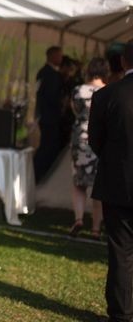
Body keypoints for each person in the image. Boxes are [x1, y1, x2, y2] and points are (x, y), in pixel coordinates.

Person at [89, 40, 133, 322]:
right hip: (118, 183)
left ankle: (122, 314)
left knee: (120, 252)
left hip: (119, 183)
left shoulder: (107, 95)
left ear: (123, 63)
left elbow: (96, 142)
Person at [68, 57, 107, 238]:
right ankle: (96, 228)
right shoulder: (108, 92)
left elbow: (75, 111)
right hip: (99, 140)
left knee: (79, 183)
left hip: (80, 137)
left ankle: (78, 219)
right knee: (99, 186)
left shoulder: (78, 91)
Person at [33, 46, 64, 183]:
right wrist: (61, 104)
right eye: (59, 56)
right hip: (50, 116)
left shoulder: (43, 72)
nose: (61, 59)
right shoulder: (50, 74)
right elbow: (52, 96)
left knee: (47, 145)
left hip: (46, 115)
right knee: (48, 146)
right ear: (52, 56)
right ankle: (40, 173)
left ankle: (40, 173)